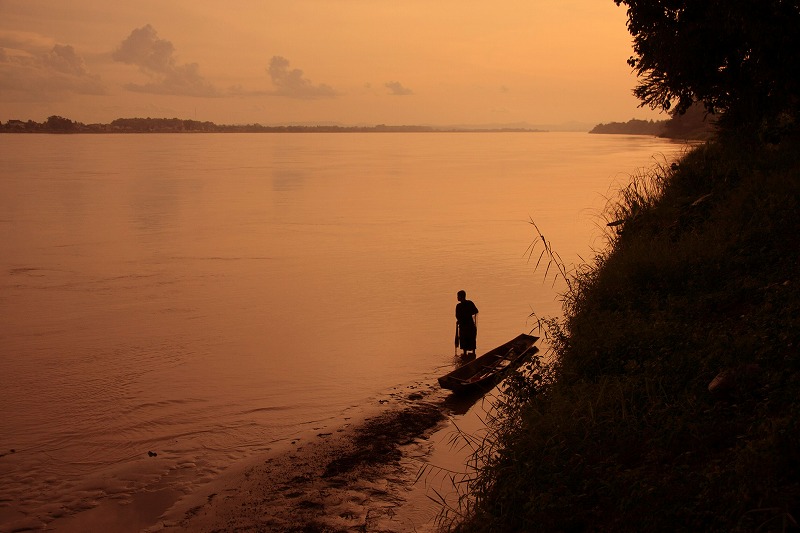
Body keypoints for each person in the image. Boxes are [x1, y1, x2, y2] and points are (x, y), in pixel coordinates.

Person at [455, 290, 479, 356]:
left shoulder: (459, 306)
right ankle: (472, 356)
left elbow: (457, 316)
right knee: (472, 342)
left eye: (458, 296)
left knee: (464, 345)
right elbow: (476, 311)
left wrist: (460, 320)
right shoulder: (470, 303)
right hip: (470, 326)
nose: (457, 297)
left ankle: (465, 358)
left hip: (464, 327)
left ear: (461, 297)